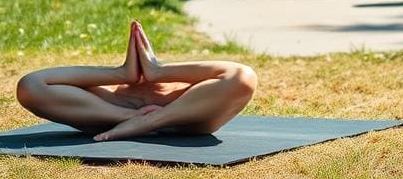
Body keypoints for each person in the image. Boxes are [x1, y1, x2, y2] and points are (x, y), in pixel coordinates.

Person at [16, 20, 257, 141]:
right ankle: (135, 120)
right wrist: (119, 75)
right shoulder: (102, 93)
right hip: (113, 112)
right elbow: (34, 84)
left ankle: (150, 121)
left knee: (244, 77)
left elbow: (239, 76)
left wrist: (159, 71)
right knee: (27, 86)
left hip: (180, 116)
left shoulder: (191, 93)